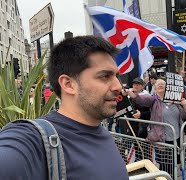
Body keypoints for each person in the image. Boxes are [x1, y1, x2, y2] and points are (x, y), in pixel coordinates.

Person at [0, 36, 129, 180]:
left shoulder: (103, 133)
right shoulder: (34, 140)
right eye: (105, 76)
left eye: (116, 76)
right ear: (68, 84)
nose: (118, 86)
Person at [125, 78, 186, 175]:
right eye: (158, 84)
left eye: (163, 83)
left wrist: (184, 106)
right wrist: (133, 95)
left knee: (174, 163)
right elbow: (141, 100)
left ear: (167, 87)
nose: (160, 85)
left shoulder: (175, 101)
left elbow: (184, 116)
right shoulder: (153, 99)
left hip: (176, 138)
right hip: (162, 139)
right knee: (166, 166)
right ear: (155, 87)